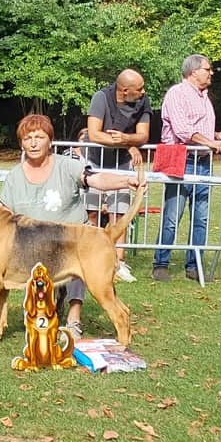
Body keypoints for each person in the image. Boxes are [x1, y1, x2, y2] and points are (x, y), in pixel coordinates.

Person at [0, 113, 143, 341]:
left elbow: (95, 180)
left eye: (39, 137)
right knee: (39, 328)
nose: (34, 143)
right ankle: (46, 310)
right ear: (21, 144)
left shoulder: (67, 166)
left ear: (50, 141)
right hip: (34, 251)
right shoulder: (14, 177)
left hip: (74, 242)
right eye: (28, 138)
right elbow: (1, 216)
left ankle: (76, 320)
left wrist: (126, 181)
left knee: (80, 258)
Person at [152, 54, 221, 282]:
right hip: (181, 159)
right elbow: (184, 131)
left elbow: (197, 127)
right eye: (207, 69)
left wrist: (215, 135)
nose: (211, 72)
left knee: (201, 217)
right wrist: (212, 143)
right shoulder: (177, 94)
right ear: (193, 72)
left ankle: (194, 266)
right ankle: (161, 264)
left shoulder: (204, 97)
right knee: (173, 214)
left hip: (203, 162)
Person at [82, 69, 150, 283]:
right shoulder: (101, 98)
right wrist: (127, 143)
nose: (143, 92)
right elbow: (93, 134)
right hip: (95, 161)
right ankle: (87, 257)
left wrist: (127, 140)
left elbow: (143, 135)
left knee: (119, 214)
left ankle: (119, 263)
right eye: (138, 89)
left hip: (122, 165)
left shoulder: (143, 101)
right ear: (124, 91)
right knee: (91, 212)